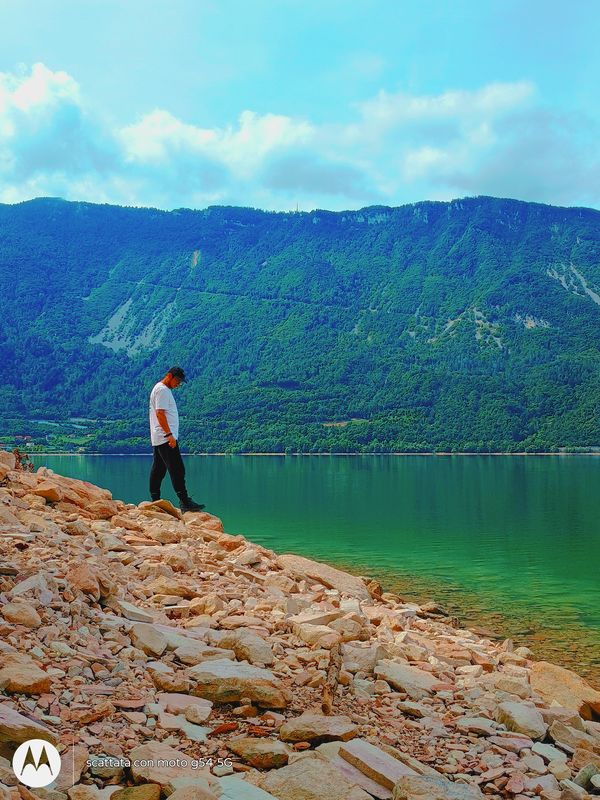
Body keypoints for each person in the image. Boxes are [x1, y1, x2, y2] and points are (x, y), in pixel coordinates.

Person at [148, 366, 205, 512]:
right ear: (169, 376)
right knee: (177, 469)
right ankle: (185, 501)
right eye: (177, 380)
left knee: (159, 469)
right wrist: (169, 435)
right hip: (165, 437)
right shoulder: (162, 390)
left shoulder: (161, 389)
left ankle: (155, 500)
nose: (178, 384)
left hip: (161, 436)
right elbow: (160, 413)